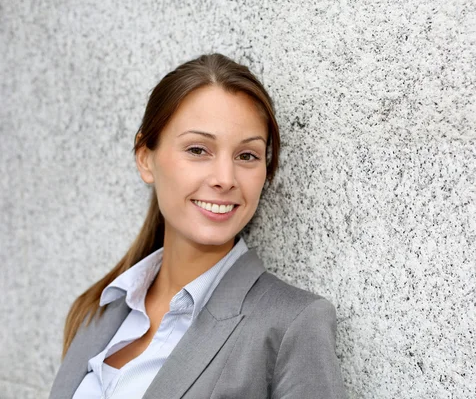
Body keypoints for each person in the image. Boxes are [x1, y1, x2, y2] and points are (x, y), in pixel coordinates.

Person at [49, 54, 346, 399]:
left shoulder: (291, 324)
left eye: (247, 155)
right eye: (198, 149)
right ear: (146, 158)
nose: (225, 179)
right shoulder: (94, 312)